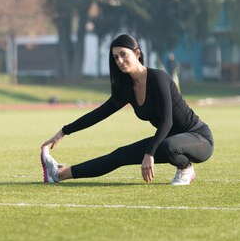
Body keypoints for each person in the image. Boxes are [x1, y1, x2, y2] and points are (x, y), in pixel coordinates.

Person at [40, 34, 213, 186]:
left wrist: (149, 153)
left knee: (168, 146)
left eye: (124, 55)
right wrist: (64, 131)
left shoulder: (158, 78)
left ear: (137, 54)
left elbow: (168, 121)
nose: (120, 61)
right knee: (120, 155)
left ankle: (185, 168)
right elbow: (98, 114)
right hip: (170, 140)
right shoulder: (127, 89)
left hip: (199, 138)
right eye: (116, 57)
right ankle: (60, 173)